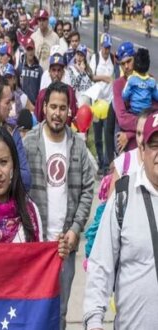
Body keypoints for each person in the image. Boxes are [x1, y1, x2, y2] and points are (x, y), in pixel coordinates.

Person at [23, 81, 95, 330]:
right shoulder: (29, 142)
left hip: (65, 246)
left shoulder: (78, 145)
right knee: (33, 308)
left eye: (63, 108)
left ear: (70, 111)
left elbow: (88, 189)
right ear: (44, 108)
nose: (57, 112)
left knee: (61, 311)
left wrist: (75, 229)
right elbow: (18, 191)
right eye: (53, 106)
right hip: (35, 246)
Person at [83, 110, 158, 330]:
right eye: (154, 145)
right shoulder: (123, 196)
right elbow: (100, 266)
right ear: (142, 150)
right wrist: (94, 320)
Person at [89, 33, 116, 176]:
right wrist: (104, 78)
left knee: (108, 135)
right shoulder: (96, 58)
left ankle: (106, 165)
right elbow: (91, 76)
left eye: (109, 48)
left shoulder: (112, 59)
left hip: (109, 103)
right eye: (105, 48)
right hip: (97, 103)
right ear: (101, 46)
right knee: (98, 136)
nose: (106, 50)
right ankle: (100, 160)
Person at [34, 54, 77, 124]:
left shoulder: (70, 92)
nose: (56, 73)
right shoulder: (42, 94)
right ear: (49, 72)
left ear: (63, 72)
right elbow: (37, 120)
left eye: (59, 70)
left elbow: (74, 118)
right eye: (53, 70)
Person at [122, 48, 158, 115]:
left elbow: (124, 96)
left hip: (134, 112)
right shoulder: (152, 81)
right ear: (148, 65)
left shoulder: (131, 80)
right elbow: (157, 96)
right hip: (147, 113)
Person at [18, 38, 43, 105]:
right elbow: (17, 87)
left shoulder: (39, 69)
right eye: (28, 49)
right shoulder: (20, 67)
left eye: (31, 49)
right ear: (25, 51)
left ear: (34, 50)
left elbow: (41, 90)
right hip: (22, 104)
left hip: (34, 105)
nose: (30, 52)